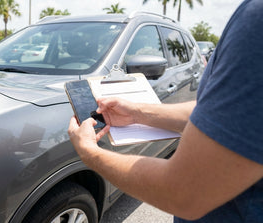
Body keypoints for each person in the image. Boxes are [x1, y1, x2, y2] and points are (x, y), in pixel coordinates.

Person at [68, 0, 263, 222]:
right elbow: (217, 115)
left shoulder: (257, 18)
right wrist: (136, 112)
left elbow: (186, 191)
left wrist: (89, 153)